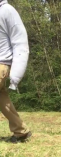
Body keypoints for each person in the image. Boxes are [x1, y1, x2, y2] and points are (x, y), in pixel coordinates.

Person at [0, 0, 32, 143]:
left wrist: (16, 72)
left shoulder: (7, 10)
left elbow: (19, 40)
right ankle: (20, 131)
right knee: (2, 100)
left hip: (1, 63)